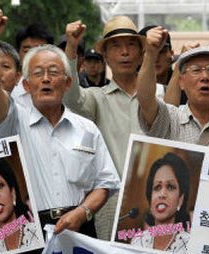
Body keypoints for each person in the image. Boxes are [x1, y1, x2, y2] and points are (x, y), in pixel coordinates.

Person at [0, 10, 120, 254]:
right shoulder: (13, 120)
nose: (46, 79)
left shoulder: (87, 128)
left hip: (80, 231)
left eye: (54, 72)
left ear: (68, 82)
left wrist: (82, 212)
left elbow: (106, 183)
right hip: (30, 234)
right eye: (38, 74)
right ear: (26, 85)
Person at [63, 17, 164, 240]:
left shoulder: (161, 95)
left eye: (131, 45)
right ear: (105, 56)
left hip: (161, 202)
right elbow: (70, 98)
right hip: (112, 205)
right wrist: (71, 47)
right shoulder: (96, 98)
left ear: (141, 52)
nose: (124, 52)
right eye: (116, 46)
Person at [137, 26, 209, 155]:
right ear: (181, 82)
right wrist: (150, 55)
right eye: (196, 70)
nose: (204, 77)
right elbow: (146, 99)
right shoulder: (170, 120)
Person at [131, 153, 190, 254]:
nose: (162, 194)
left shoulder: (189, 246)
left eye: (170, 187)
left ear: (180, 199)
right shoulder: (137, 241)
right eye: (157, 187)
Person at [10, 23, 54, 108]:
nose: (32, 56)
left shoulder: (59, 88)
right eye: (27, 51)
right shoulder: (9, 90)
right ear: (18, 53)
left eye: (39, 51)